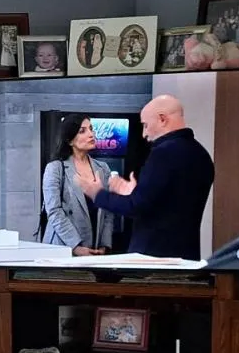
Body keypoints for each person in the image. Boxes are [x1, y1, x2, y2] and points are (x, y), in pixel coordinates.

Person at [83, 94, 215, 260]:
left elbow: (136, 207)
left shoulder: (163, 153)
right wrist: (134, 193)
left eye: (145, 125)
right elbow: (167, 204)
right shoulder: (202, 155)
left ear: (162, 119)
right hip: (186, 258)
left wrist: (97, 194)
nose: (144, 134)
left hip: (153, 259)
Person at [40, 114, 115, 256]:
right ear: (69, 140)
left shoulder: (103, 168)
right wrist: (75, 246)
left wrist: (105, 245)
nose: (91, 134)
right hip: (62, 249)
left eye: (91, 129)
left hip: (95, 249)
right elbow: (54, 211)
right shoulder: (55, 168)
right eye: (82, 131)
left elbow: (108, 211)